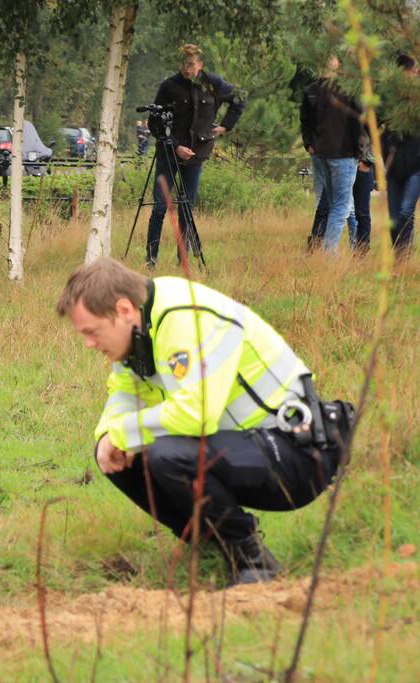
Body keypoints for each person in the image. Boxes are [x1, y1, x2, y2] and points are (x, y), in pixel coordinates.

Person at [56, 258, 350, 585]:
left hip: (298, 455)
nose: (88, 344)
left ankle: (253, 562)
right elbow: (125, 391)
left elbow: (197, 415)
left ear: (123, 309)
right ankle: (213, 549)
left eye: (92, 332)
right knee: (118, 458)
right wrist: (107, 436)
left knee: (166, 454)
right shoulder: (140, 329)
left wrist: (123, 433)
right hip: (245, 450)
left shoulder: (185, 318)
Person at [145, 44, 245, 268]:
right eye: (183, 64)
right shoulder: (169, 86)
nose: (186, 69)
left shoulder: (213, 84)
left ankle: (184, 258)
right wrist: (175, 146)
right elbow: (155, 123)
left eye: (190, 64)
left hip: (197, 154)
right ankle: (151, 259)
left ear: (200, 64)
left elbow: (239, 99)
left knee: (186, 207)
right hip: (169, 154)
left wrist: (225, 127)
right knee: (161, 205)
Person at [300, 55, 364, 254]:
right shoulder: (345, 91)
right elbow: (357, 123)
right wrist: (359, 152)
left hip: (325, 154)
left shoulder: (317, 90)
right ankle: (329, 254)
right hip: (341, 155)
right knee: (341, 207)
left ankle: (335, 249)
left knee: (334, 202)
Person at [383, 54, 420, 258]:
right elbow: (375, 126)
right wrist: (384, 154)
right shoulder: (389, 99)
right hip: (394, 166)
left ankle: (403, 256)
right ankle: (399, 256)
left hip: (417, 166)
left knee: (406, 211)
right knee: (394, 217)